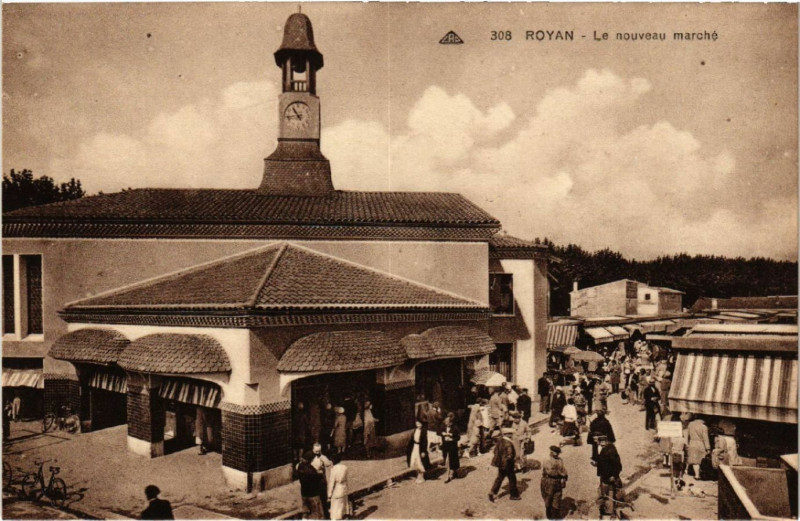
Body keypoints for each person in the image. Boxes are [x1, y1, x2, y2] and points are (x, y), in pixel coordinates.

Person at [488, 428, 520, 502]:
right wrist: (514, 462)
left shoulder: (500, 441)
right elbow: (510, 455)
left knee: (499, 478)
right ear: (507, 434)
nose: (512, 435)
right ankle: (514, 495)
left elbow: (495, 451)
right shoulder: (508, 443)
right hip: (508, 465)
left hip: (501, 464)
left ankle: (492, 492)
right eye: (511, 434)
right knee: (512, 479)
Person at [595, 437, 623, 519]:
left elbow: (617, 465)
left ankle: (610, 513)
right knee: (605, 492)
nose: (601, 443)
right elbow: (604, 463)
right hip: (605, 476)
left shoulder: (610, 451)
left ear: (606, 441)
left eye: (603, 441)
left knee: (609, 494)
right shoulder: (605, 449)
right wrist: (597, 464)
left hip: (609, 477)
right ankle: (607, 511)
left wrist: (614, 475)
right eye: (600, 442)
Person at [541, 445, 568, 520]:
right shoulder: (547, 460)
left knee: (557, 497)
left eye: (558, 453)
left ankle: (556, 515)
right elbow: (550, 472)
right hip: (548, 481)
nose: (557, 455)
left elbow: (563, 469)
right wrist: (562, 474)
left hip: (558, 482)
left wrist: (565, 477)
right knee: (548, 498)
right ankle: (549, 514)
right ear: (551, 452)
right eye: (556, 453)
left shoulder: (560, 460)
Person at [297, 450, 325, 519]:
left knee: (305, 511)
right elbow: (317, 479)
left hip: (304, 493)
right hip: (313, 494)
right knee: (316, 513)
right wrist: (321, 473)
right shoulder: (311, 470)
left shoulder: (300, 466)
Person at [311, 443, 333, 519]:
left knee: (323, 499)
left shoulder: (323, 457)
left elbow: (328, 464)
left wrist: (323, 459)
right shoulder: (311, 458)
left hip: (321, 480)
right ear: (313, 450)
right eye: (316, 451)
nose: (318, 453)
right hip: (313, 481)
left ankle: (325, 515)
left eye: (319, 451)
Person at [327, 452, 351, 520]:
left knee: (335, 510)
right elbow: (346, 479)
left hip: (336, 490)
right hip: (344, 489)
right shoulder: (345, 467)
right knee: (342, 508)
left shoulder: (333, 469)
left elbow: (331, 483)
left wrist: (329, 494)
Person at [440, 412, 461, 483]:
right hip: (446, 446)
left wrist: (452, 437)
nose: (447, 424)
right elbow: (439, 432)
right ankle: (449, 475)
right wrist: (443, 434)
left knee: (452, 461)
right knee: (447, 461)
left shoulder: (455, 428)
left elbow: (458, 437)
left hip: (452, 447)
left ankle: (451, 474)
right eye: (446, 423)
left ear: (451, 423)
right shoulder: (443, 427)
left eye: (448, 423)